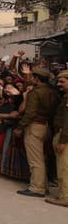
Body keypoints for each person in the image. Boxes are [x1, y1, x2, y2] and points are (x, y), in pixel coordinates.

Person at [13, 67, 59, 197]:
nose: (31, 79)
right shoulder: (53, 92)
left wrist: (20, 127)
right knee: (41, 158)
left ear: (37, 78)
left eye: (33, 77)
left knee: (35, 160)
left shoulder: (35, 92)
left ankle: (37, 188)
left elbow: (30, 113)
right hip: (46, 125)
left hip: (34, 126)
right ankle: (43, 185)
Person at [48, 70, 68, 207]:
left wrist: (62, 141)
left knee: (63, 168)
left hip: (63, 135)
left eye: (62, 81)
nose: (59, 84)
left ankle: (64, 197)